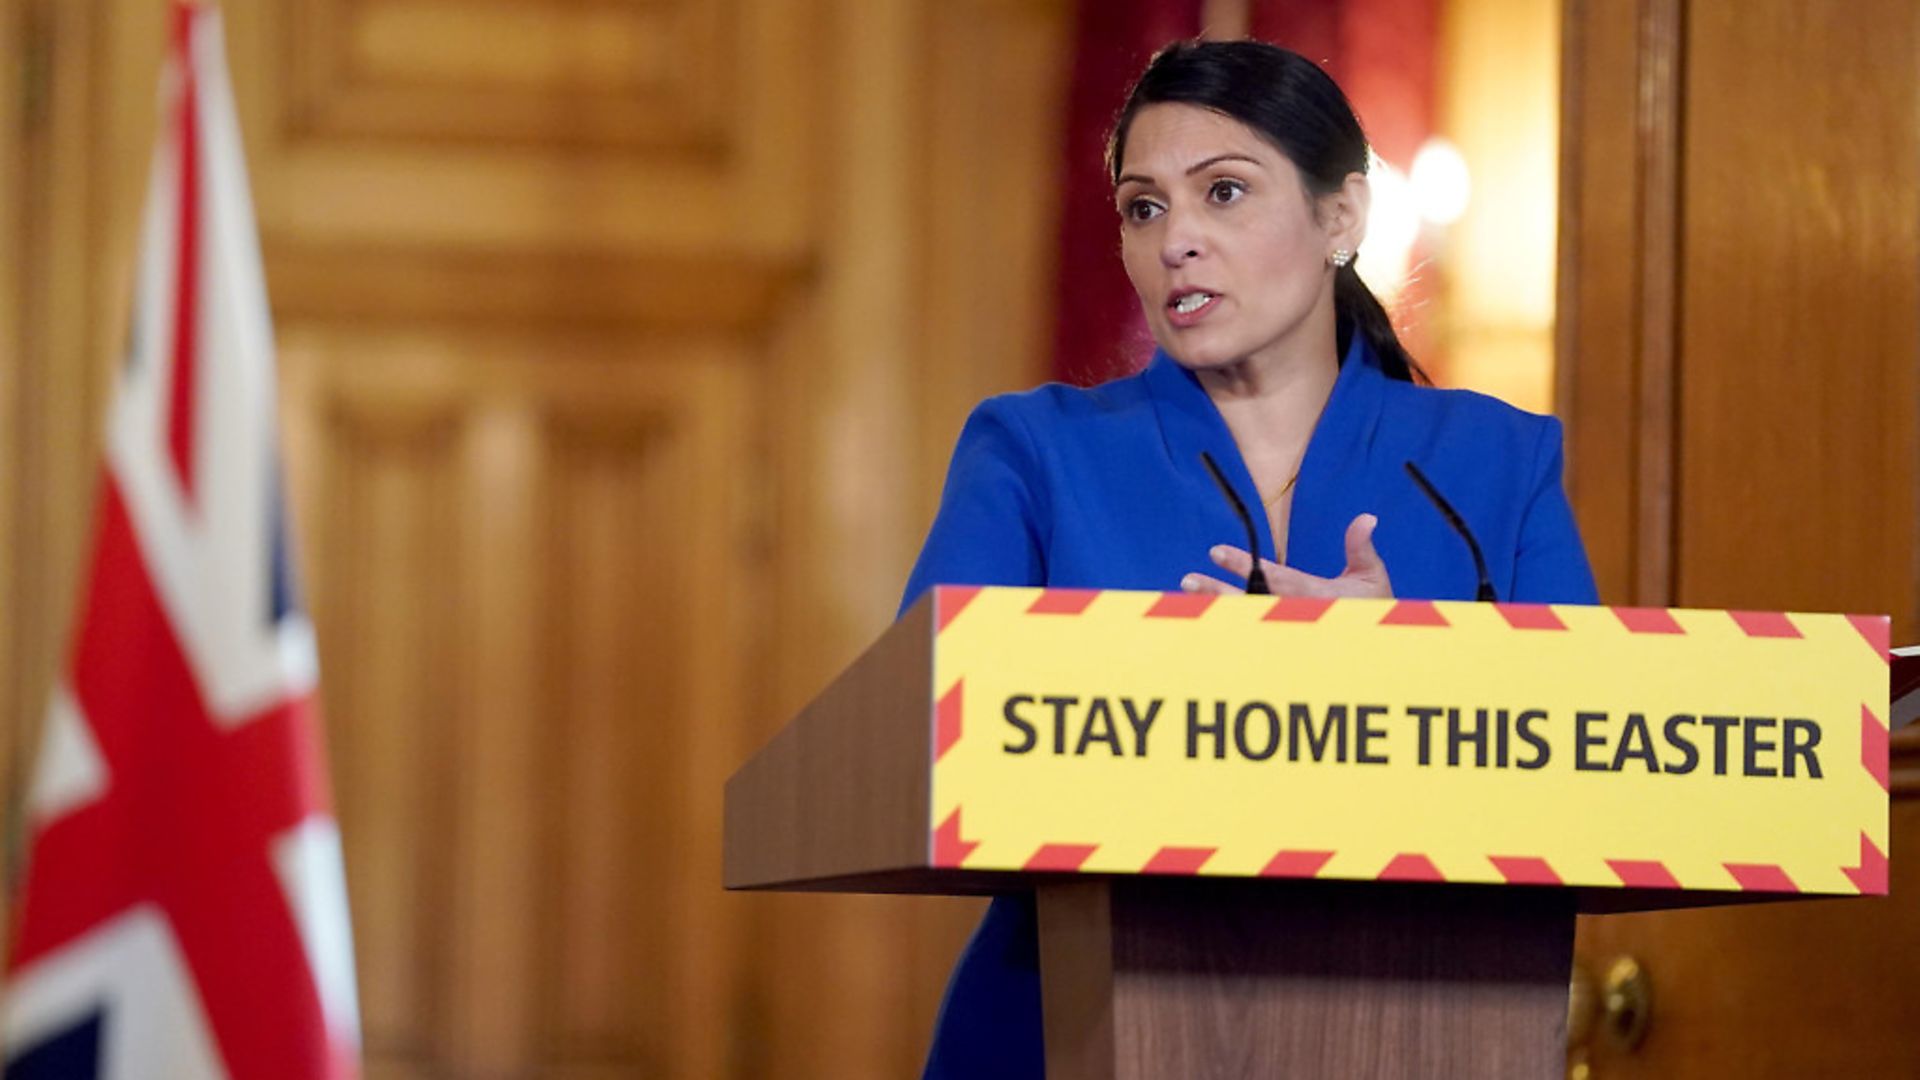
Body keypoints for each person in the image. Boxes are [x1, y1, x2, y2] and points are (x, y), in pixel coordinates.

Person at [897, 39, 1598, 1079]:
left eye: (1224, 192)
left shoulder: (1496, 460)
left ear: (1341, 219)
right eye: (1145, 208)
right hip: (1058, 1024)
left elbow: (1599, 760)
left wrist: (1417, 673)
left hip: (1424, 1026)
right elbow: (920, 741)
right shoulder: (1034, 449)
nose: (1178, 238)